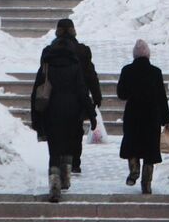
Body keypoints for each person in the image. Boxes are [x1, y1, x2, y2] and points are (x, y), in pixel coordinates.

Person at [31, 19, 101, 203]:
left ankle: (54, 179)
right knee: (71, 141)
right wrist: (92, 111)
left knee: (54, 147)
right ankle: (67, 173)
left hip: (51, 110)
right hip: (73, 110)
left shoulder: (47, 60)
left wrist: (36, 117)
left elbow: (37, 88)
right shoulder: (76, 62)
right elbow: (82, 87)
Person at [115, 38, 169, 194]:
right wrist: (166, 118)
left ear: (134, 55)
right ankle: (146, 184)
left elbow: (121, 94)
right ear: (148, 55)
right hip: (151, 116)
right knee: (150, 149)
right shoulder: (156, 72)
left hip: (133, 114)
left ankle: (134, 170)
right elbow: (161, 97)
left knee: (132, 144)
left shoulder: (127, 70)